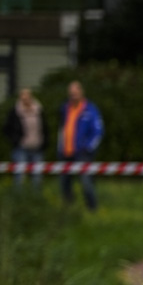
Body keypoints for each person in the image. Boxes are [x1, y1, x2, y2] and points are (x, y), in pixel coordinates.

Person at [56, 80, 103, 211]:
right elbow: (62, 129)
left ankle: (93, 209)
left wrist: (88, 147)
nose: (73, 95)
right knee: (64, 183)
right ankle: (67, 208)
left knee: (86, 182)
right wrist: (60, 147)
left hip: (82, 153)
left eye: (76, 92)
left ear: (81, 92)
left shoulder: (90, 109)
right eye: (71, 93)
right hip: (66, 151)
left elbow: (98, 132)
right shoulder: (65, 108)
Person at [1, 86, 44, 190]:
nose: (25, 100)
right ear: (20, 98)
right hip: (21, 148)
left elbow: (44, 128)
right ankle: (18, 200)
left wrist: (44, 142)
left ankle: (36, 200)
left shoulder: (38, 110)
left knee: (37, 177)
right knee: (19, 177)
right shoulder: (15, 112)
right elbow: (6, 129)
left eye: (27, 97)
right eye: (23, 98)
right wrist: (15, 140)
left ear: (31, 97)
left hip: (37, 147)